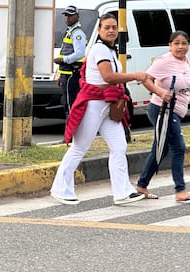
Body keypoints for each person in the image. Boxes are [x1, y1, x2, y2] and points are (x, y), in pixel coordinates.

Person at [50, 13, 147, 205]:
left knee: (119, 147)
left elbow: (111, 78)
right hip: (93, 104)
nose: (111, 31)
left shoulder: (110, 50)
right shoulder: (100, 50)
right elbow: (108, 77)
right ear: (100, 30)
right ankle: (60, 189)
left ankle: (122, 192)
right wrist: (135, 75)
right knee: (79, 148)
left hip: (108, 105)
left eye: (113, 27)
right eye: (107, 27)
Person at [135, 30, 190, 203]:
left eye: (184, 43)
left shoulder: (185, 60)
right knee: (178, 148)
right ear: (170, 45)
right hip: (162, 110)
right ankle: (180, 190)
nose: (180, 47)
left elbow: (189, 73)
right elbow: (145, 79)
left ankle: (141, 186)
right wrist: (160, 92)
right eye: (176, 43)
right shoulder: (163, 62)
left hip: (176, 111)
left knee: (160, 149)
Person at [53, 5, 87, 116]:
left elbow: (79, 53)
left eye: (70, 15)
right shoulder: (70, 32)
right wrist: (60, 73)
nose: (67, 18)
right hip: (66, 73)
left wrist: (63, 60)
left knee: (71, 104)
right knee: (67, 102)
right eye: (66, 15)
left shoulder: (78, 34)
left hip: (72, 74)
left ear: (77, 16)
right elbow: (65, 51)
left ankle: (72, 128)